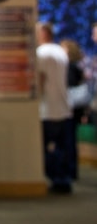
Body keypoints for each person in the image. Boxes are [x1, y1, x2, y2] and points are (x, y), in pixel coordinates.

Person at [35, 21, 73, 194]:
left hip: (47, 109)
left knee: (48, 149)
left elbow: (41, 80)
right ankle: (64, 180)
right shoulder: (61, 52)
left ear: (43, 33)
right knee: (62, 148)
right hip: (64, 108)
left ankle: (56, 179)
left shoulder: (41, 53)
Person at [60, 38, 89, 180]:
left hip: (70, 108)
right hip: (76, 108)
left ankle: (70, 172)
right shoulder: (77, 66)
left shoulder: (70, 67)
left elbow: (69, 87)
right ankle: (72, 171)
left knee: (69, 140)